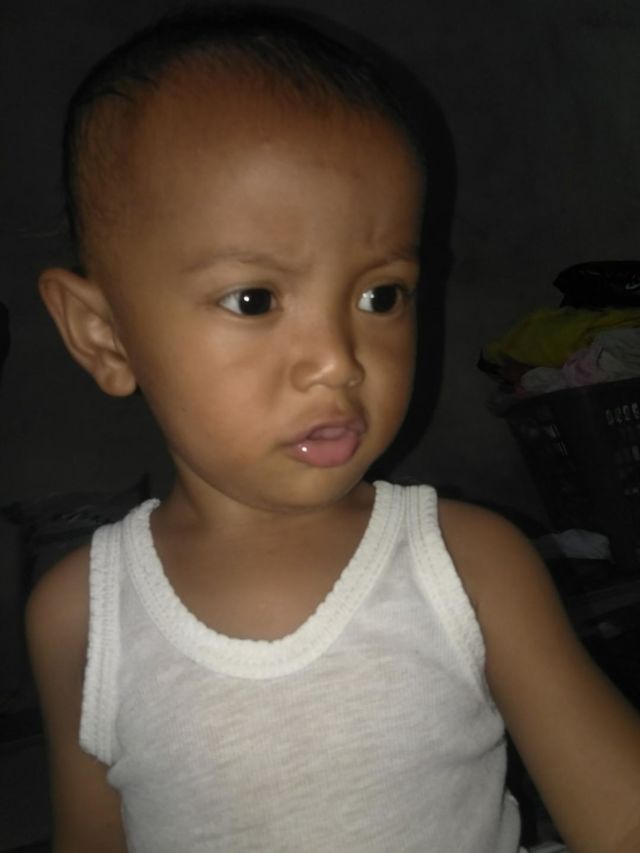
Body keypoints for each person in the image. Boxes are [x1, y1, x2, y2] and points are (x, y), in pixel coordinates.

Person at [26, 6, 640, 852]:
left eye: (380, 295)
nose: (338, 360)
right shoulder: (80, 616)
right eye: (254, 299)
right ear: (104, 335)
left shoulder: (470, 564)